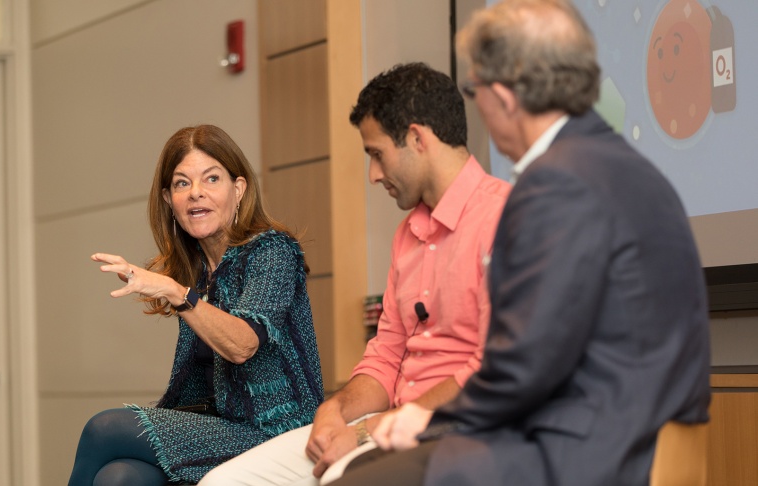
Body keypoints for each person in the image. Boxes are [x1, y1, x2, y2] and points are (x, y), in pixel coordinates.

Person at [329, 1, 712, 485]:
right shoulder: (625, 167)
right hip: (643, 432)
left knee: (358, 480)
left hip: (585, 446)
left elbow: (524, 365)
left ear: (504, 94)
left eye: (475, 90)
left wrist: (423, 417)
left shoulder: (552, 184)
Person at [198, 63, 511, 486]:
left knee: (339, 477)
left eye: (377, 154)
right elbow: (386, 355)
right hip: (391, 423)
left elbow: (494, 369)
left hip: (461, 427)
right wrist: (335, 411)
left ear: (418, 139)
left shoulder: (510, 217)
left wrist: (370, 429)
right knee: (223, 482)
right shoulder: (407, 234)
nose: (373, 175)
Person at [67, 124, 324, 486]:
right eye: (182, 183)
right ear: (169, 200)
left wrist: (178, 294)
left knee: (103, 429)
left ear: (238, 189)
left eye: (212, 179)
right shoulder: (199, 270)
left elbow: (243, 344)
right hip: (219, 428)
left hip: (273, 432)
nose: (196, 194)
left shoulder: (272, 252)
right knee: (119, 477)